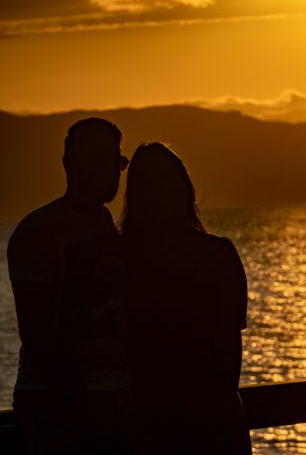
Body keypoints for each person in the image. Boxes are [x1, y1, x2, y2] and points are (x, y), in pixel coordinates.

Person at [7, 117, 133, 454]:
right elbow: (36, 334)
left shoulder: (103, 221)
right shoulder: (39, 231)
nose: (111, 170)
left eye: (116, 161)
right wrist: (81, 406)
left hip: (108, 397)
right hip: (57, 403)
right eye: (97, 159)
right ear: (68, 164)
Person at [119, 142, 251, 454]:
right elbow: (228, 344)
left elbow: (228, 346)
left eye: (166, 182)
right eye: (152, 185)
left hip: (196, 413)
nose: (161, 193)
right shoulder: (216, 254)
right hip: (158, 415)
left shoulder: (217, 254)